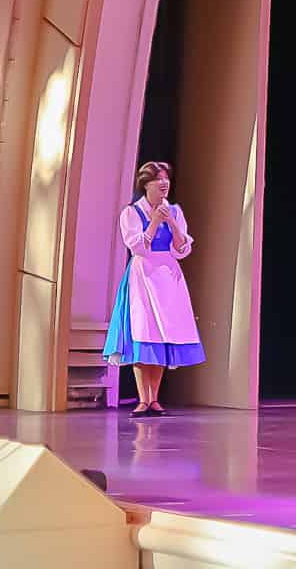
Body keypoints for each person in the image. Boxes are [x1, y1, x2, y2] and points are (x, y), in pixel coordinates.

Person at [104, 161, 204, 414]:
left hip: (168, 277)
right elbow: (137, 247)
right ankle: (142, 398)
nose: (164, 183)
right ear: (146, 184)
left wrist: (170, 223)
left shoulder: (175, 212)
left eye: (166, 178)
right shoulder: (131, 213)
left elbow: (182, 250)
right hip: (142, 276)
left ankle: (155, 398)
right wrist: (153, 222)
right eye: (158, 179)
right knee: (143, 332)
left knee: (162, 335)